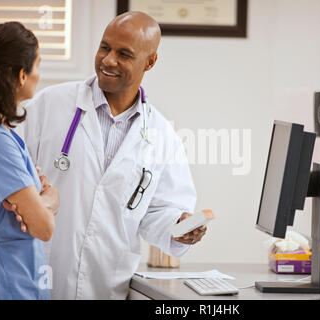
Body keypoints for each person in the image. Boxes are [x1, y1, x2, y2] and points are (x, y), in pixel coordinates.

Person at [12, 12, 206, 300]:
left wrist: (179, 228)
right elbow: (8, 177)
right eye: (105, 47)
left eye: (124, 54)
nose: (108, 60)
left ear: (150, 62)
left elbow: (158, 213)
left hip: (106, 285)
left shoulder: (162, 135)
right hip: (37, 276)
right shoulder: (50, 105)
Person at [0, 22, 60, 299]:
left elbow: (32, 209)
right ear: (22, 75)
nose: (39, 75)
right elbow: (43, 227)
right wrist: (47, 202)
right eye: (37, 66)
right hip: (4, 284)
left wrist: (39, 202)